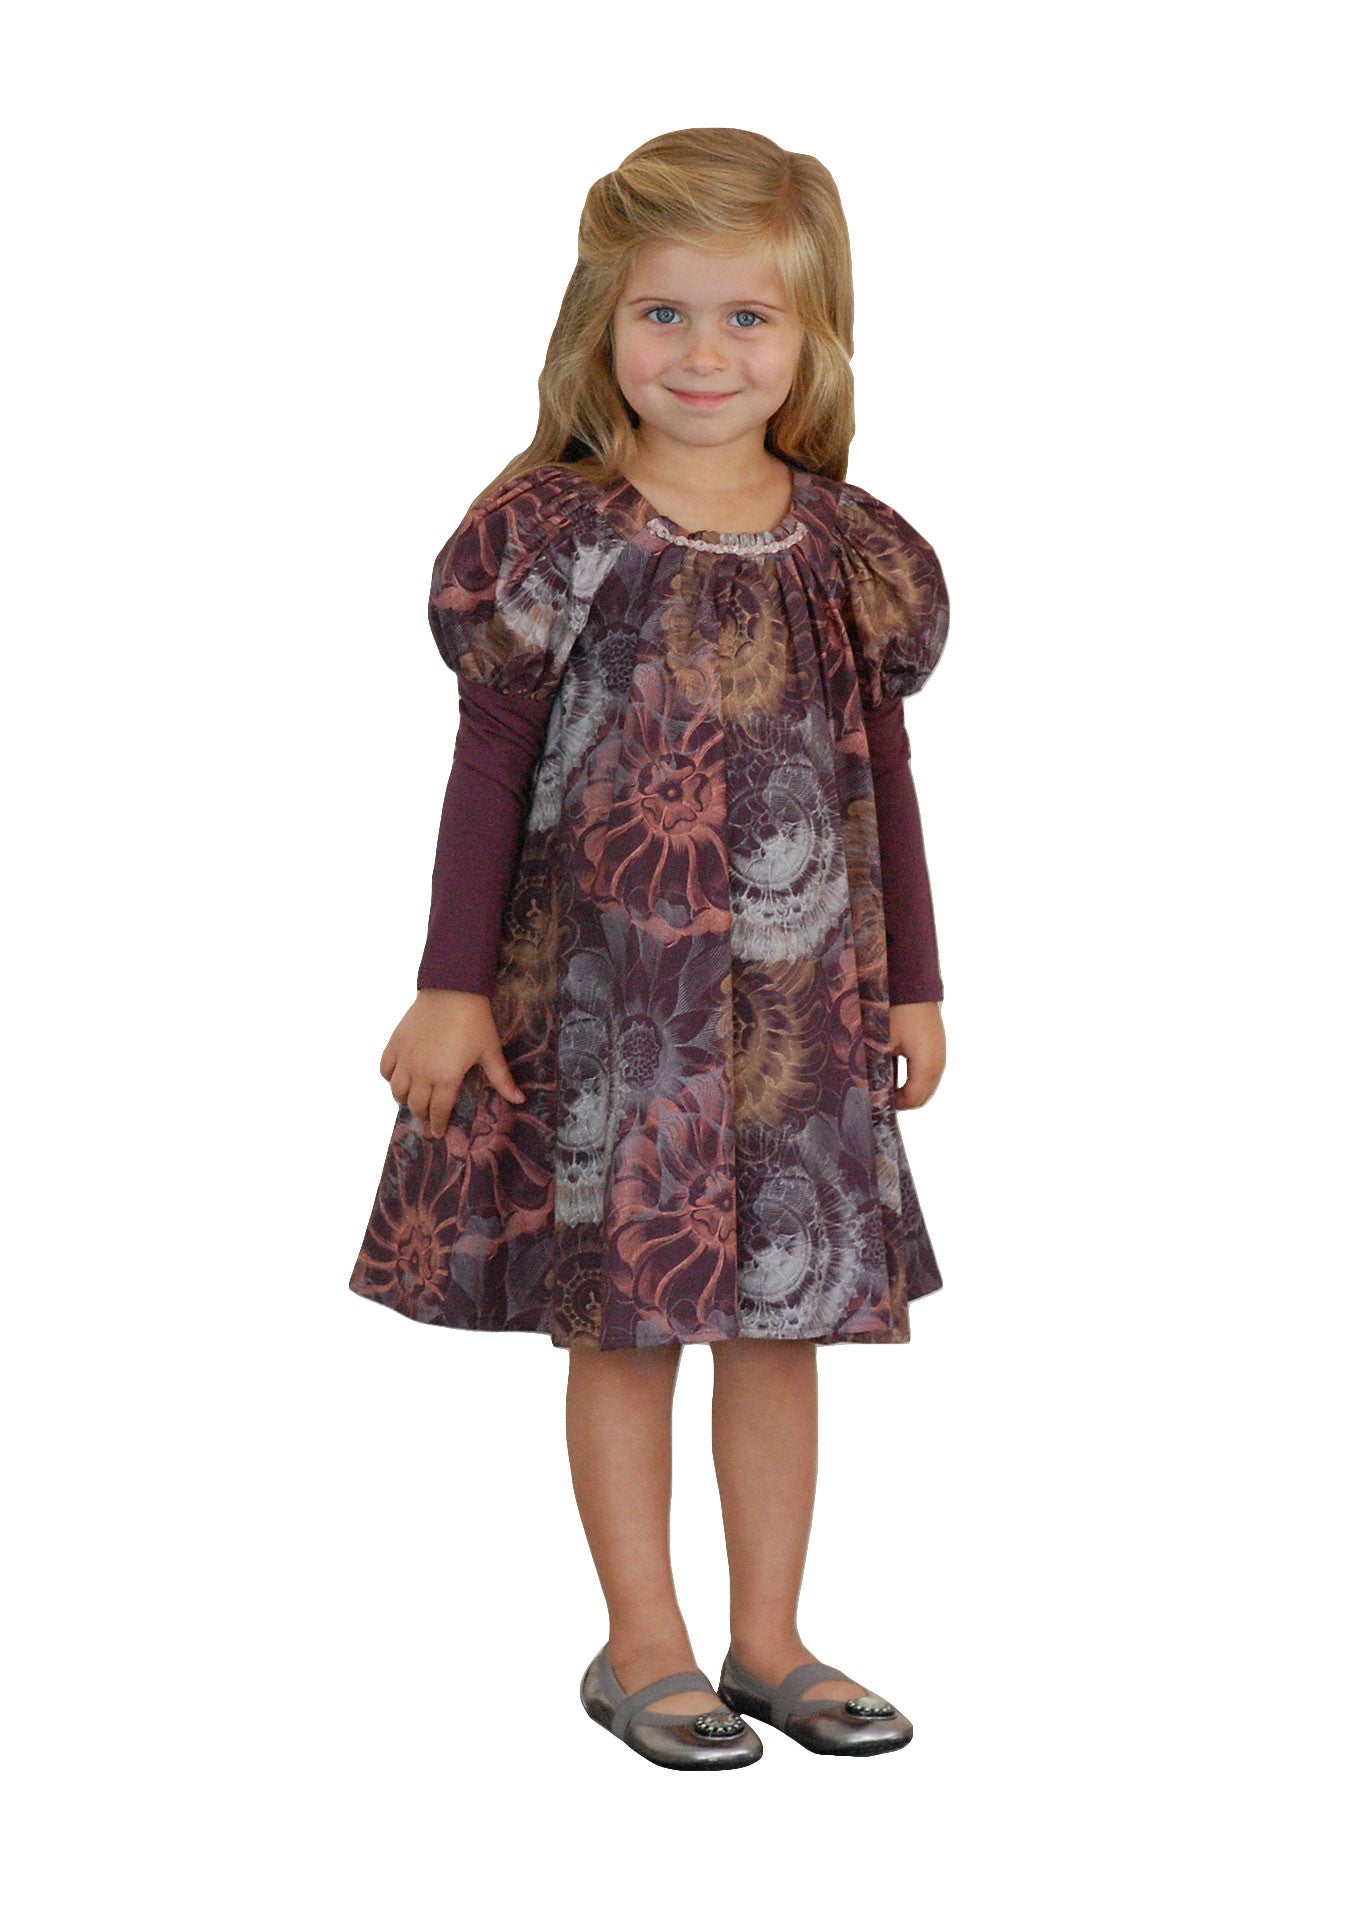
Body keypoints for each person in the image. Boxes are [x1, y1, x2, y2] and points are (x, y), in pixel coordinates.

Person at [349, 127, 952, 1769]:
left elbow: (883, 772)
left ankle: (773, 1640)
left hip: (803, 1012)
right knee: (626, 1325)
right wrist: (449, 984)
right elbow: (489, 767)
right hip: (618, 1006)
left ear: (813, 336)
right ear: (601, 322)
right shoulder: (556, 538)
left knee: (781, 1328)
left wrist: (915, 981)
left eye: (747, 318)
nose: (703, 353)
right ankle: (645, 1645)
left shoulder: (851, 553)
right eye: (663, 314)